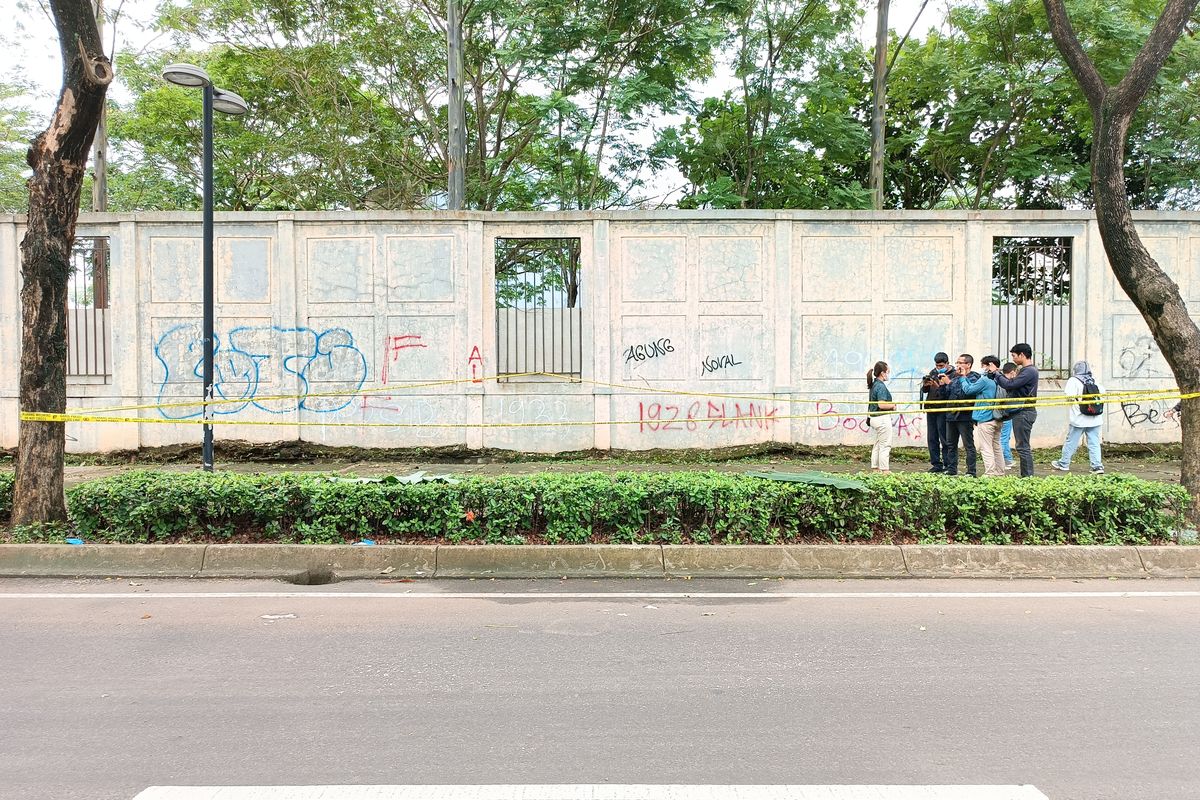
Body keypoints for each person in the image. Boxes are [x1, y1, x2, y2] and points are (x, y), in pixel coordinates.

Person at [987, 343, 1039, 477]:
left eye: (1014, 356)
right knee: (1022, 446)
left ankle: (1028, 478)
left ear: (1022, 355)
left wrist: (997, 373)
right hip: (1020, 411)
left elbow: (1010, 385)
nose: (1013, 359)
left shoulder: (1029, 371)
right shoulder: (1026, 371)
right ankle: (1026, 476)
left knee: (1023, 446)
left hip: (1024, 412)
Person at [1052, 360, 1105, 474]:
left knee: (1071, 441)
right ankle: (1097, 466)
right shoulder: (1094, 380)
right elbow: (1102, 396)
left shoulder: (1073, 380)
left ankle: (1064, 463)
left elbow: (1069, 396)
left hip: (1079, 418)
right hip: (1095, 418)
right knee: (1094, 442)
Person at [962, 355, 1004, 476]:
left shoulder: (985, 380)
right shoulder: (998, 378)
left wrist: (963, 378)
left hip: (985, 418)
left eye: (983, 365)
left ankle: (990, 473)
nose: (981, 368)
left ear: (989, 365)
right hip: (997, 417)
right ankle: (1000, 472)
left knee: (986, 448)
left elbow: (968, 390)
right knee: (996, 446)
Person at [939, 354, 979, 477]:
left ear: (968, 365)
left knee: (968, 445)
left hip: (964, 416)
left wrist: (949, 383)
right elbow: (946, 395)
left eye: (960, 362)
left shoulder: (974, 378)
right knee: (950, 444)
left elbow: (964, 394)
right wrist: (942, 385)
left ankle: (971, 471)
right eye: (957, 362)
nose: (957, 365)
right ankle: (951, 469)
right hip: (951, 415)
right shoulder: (955, 378)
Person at [920, 353, 953, 473]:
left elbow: (950, 391)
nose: (938, 368)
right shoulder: (933, 372)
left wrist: (938, 385)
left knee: (944, 437)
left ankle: (947, 464)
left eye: (941, 365)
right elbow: (925, 390)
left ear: (947, 363)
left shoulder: (952, 374)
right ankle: (936, 464)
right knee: (932, 438)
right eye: (937, 365)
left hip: (943, 409)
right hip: (931, 408)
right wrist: (926, 384)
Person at [866, 361, 896, 472]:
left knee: (878, 444)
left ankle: (875, 468)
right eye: (888, 372)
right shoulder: (881, 386)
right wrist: (892, 406)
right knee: (885, 445)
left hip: (874, 418)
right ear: (883, 373)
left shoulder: (874, 384)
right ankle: (885, 470)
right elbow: (882, 404)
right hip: (882, 418)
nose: (888, 374)